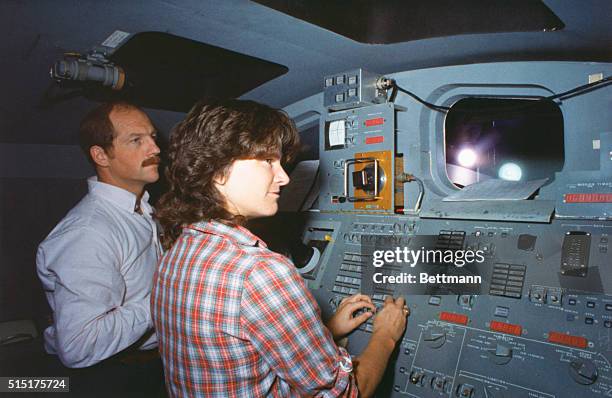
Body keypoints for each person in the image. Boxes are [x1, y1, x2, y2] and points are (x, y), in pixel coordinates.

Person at [152, 99, 409, 397]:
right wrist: (386, 335)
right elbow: (347, 393)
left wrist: (326, 331)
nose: (284, 177)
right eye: (267, 161)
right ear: (218, 169)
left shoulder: (175, 253)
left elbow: (237, 355)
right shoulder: (259, 272)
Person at [36, 101, 163, 389]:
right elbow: (80, 346)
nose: (155, 149)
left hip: (152, 363)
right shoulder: (87, 232)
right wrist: (166, 296)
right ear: (101, 155)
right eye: (136, 140)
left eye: (153, 137)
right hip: (112, 378)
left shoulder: (142, 208)